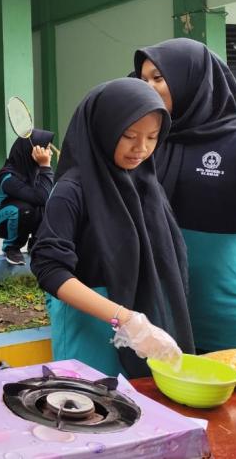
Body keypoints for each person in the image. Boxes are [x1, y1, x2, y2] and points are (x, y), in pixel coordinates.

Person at [30, 78, 194, 378]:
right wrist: (125, 319)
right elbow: (49, 268)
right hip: (91, 326)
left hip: (142, 321)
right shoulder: (72, 190)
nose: (141, 148)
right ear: (104, 130)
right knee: (93, 401)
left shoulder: (147, 184)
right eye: (129, 136)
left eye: (152, 137)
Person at [136, 38, 236, 353]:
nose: (148, 88)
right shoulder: (148, 141)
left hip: (227, 318)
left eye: (158, 78)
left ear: (192, 80)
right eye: (143, 80)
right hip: (158, 318)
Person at [0, 129, 55, 266]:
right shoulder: (8, 177)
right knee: (24, 209)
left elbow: (46, 197)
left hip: (20, 212)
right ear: (32, 150)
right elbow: (41, 197)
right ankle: (11, 247)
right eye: (46, 149)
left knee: (48, 204)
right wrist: (45, 165)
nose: (49, 153)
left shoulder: (33, 171)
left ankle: (37, 243)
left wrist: (44, 168)